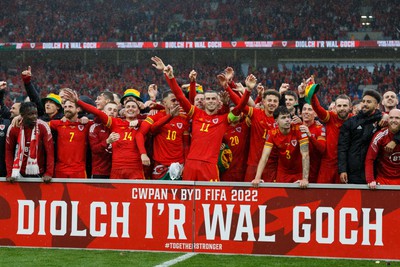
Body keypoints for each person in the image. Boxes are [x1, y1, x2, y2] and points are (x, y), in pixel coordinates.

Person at [151, 56, 251, 181]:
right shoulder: (196, 113)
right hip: (191, 165)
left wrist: (247, 91)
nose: (210, 101)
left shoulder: (224, 119)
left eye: (213, 98)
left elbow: (240, 107)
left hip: (209, 166)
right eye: (208, 98)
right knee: (187, 199)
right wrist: (169, 76)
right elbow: (180, 96)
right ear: (203, 102)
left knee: (210, 199)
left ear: (218, 101)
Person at [63, 89, 149, 179]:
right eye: (128, 107)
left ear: (138, 111)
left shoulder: (143, 124)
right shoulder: (115, 122)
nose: (130, 109)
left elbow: (154, 119)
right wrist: (78, 101)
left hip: (135, 169)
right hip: (116, 169)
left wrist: (139, 120)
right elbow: (97, 112)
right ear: (124, 110)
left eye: (133, 107)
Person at [307, 78, 353, 183]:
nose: (342, 108)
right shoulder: (331, 117)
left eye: (345, 106)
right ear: (335, 107)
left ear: (350, 107)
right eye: (339, 106)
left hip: (345, 166)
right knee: (321, 195)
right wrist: (312, 93)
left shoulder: (354, 119)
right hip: (328, 164)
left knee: (343, 197)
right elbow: (317, 108)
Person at [252, 106, 310, 188]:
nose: (287, 120)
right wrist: (257, 178)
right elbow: (265, 156)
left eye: (288, 117)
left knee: (299, 200)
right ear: (276, 121)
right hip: (283, 172)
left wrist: (305, 179)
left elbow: (305, 155)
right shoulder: (272, 133)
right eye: (283, 118)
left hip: (299, 172)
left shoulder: (299, 130)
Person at [137, 90, 190, 180]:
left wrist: (186, 164)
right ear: (164, 102)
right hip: (160, 164)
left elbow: (185, 144)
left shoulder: (184, 118)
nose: (177, 102)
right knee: (159, 193)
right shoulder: (155, 116)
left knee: (177, 193)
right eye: (173, 100)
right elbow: (147, 131)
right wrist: (143, 154)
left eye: (178, 100)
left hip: (179, 164)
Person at [338, 90, 384, 184]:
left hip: (375, 171)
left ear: (376, 106)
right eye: (363, 101)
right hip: (354, 172)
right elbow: (342, 148)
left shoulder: (382, 122)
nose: (365, 104)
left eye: (369, 102)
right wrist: (342, 170)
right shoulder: (350, 123)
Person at [5, 102, 54, 182]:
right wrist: (10, 173)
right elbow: (9, 151)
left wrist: (49, 173)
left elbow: (50, 151)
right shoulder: (14, 127)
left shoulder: (43, 126)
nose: (34, 117)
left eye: (36, 114)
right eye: (30, 114)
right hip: (18, 172)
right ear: (22, 115)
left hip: (39, 173)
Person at [49, 99, 92, 178]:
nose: (67, 109)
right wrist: (20, 116)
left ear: (78, 109)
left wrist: (88, 117)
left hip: (79, 170)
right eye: (65, 107)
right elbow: (39, 123)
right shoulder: (58, 123)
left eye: (70, 106)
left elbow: (100, 117)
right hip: (60, 170)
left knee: (79, 191)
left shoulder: (86, 124)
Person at [365, 109, 400, 188]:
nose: (394, 120)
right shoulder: (380, 136)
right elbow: (370, 158)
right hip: (383, 180)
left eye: (397, 118)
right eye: (391, 118)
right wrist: (370, 179)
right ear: (387, 120)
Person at [88, 101, 119, 178]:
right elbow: (94, 149)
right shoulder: (95, 127)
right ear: (103, 112)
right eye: (109, 109)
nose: (112, 112)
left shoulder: (121, 126)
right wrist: (107, 141)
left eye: (115, 110)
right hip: (100, 172)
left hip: (117, 172)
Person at [299, 103, 326, 183]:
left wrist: (310, 135)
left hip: (314, 174)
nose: (306, 112)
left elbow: (322, 149)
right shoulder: (295, 127)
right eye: (304, 109)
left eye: (310, 109)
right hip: (296, 174)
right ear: (300, 113)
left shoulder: (320, 128)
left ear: (315, 114)